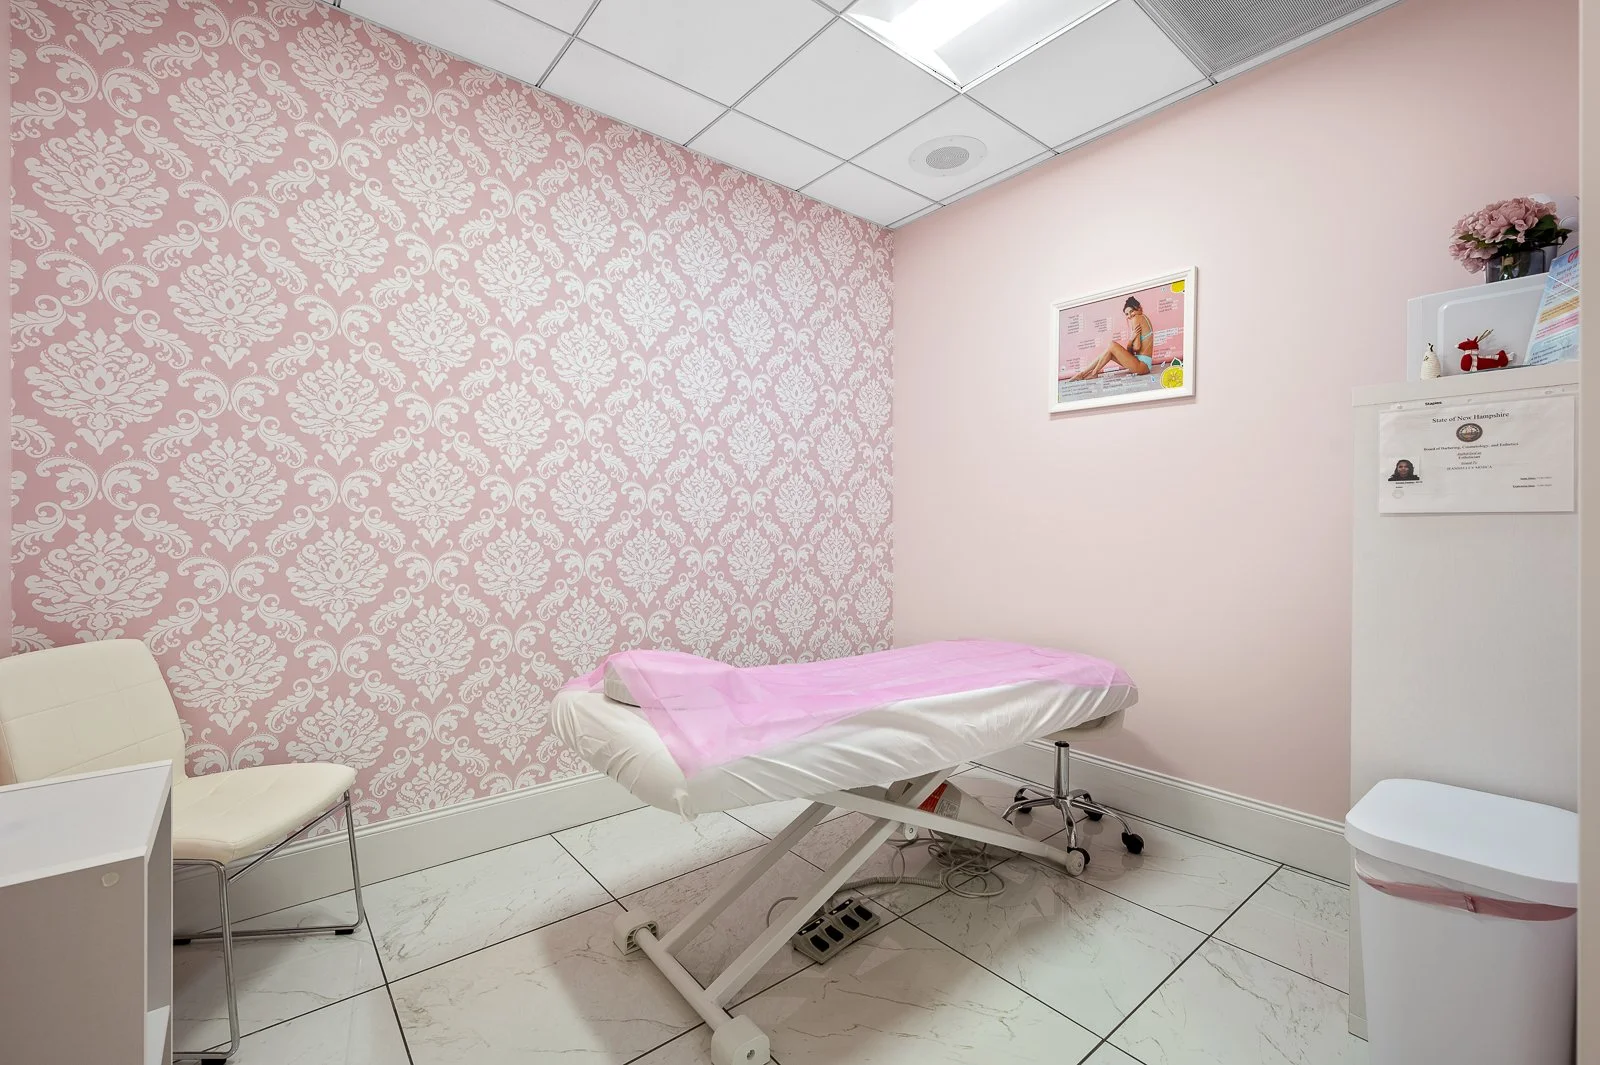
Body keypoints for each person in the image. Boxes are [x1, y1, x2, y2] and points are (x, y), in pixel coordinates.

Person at [1072, 296, 1156, 380]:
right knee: (1109, 353)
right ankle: (1082, 374)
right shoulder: (1144, 318)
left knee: (1112, 345)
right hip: (1143, 364)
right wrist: (1131, 342)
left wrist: (1131, 340)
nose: (1130, 316)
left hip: (1142, 366)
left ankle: (1093, 373)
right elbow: (1131, 352)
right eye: (1127, 314)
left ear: (1139, 308)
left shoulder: (1136, 318)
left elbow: (1137, 347)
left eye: (1131, 311)